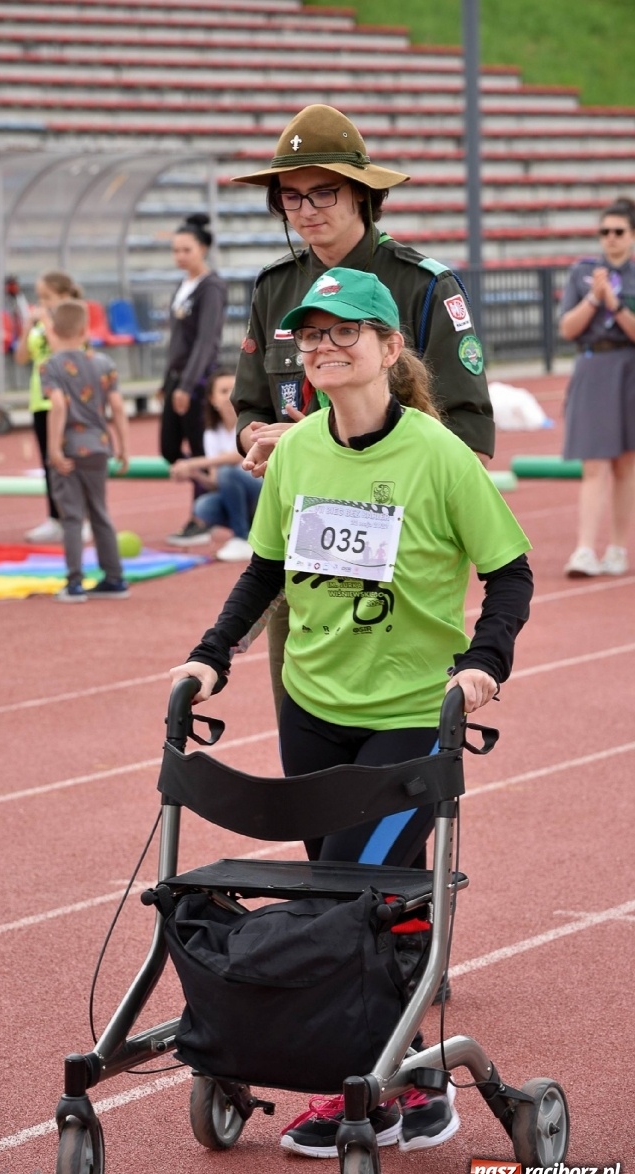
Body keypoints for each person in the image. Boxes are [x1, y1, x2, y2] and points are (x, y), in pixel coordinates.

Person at [168, 269, 533, 1158]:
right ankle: (409, 1083)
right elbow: (264, 571)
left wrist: (484, 664)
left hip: (410, 713)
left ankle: (365, 1084)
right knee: (351, 900)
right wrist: (212, 654)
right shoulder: (295, 452)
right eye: (310, 336)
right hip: (312, 704)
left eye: (344, 333)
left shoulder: (438, 456)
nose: (322, 349)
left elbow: (510, 573)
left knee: (349, 904)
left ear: (387, 347)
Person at [227, 104, 496, 720]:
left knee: (399, 754)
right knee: (306, 746)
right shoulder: (275, 289)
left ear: (363, 195)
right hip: (304, 552)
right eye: (290, 197)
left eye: (324, 191)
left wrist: (355, 450)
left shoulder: (422, 287)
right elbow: (249, 406)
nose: (307, 209)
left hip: (402, 565)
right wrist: (265, 440)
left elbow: (470, 437)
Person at [559, 197, 635, 578]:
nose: (611, 239)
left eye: (618, 232)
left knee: (625, 464)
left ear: (632, 235)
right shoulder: (582, 274)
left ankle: (618, 548)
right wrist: (594, 297)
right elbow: (567, 328)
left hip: (630, 367)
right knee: (593, 462)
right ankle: (585, 549)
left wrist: (615, 303)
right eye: (604, 232)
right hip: (593, 365)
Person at [41, 299, 130, 602]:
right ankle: (115, 577)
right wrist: (123, 447)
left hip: (69, 448)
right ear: (84, 331)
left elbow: (56, 406)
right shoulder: (104, 363)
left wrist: (53, 448)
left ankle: (75, 581)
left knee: (72, 517)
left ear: (52, 330)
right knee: (100, 512)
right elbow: (117, 406)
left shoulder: (51, 366)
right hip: (99, 447)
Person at [158, 214, 228, 545]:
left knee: (200, 448)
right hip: (176, 377)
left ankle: (202, 515)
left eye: (186, 250)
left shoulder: (211, 287)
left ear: (202, 249)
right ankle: (213, 502)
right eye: (175, 251)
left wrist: (187, 384)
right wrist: (167, 381)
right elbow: (177, 339)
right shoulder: (183, 284)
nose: (179, 257)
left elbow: (205, 341)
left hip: (198, 380)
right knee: (168, 447)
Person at [14, 270, 84, 544]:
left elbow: (64, 354)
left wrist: (46, 322)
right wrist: (26, 328)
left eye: (48, 297)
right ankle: (55, 517)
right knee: (48, 461)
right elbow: (21, 357)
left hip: (65, 400)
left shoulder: (73, 320)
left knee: (70, 460)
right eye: (40, 297)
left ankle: (79, 517)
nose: (42, 303)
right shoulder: (39, 324)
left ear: (64, 296)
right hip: (39, 399)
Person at [167, 369, 262, 562]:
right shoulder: (211, 433)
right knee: (203, 506)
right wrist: (194, 474)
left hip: (262, 490)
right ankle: (253, 532)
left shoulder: (252, 423)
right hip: (239, 494)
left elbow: (237, 458)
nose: (229, 396)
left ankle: (241, 539)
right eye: (223, 391)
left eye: (234, 390)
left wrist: (193, 462)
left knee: (228, 471)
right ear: (212, 399)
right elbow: (215, 482)